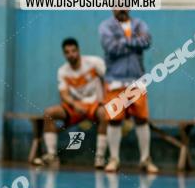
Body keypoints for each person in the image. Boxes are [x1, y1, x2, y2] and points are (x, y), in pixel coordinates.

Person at [33, 38, 108, 168]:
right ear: (64, 54)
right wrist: (74, 105)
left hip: (94, 105)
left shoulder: (94, 63)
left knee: (105, 114)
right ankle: (52, 156)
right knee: (49, 113)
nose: (71, 54)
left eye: (73, 50)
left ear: (78, 50)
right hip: (75, 107)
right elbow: (64, 94)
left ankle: (100, 158)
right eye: (67, 52)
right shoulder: (62, 71)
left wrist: (105, 100)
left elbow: (108, 80)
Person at [99, 10, 158, 173]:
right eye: (117, 5)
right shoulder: (106, 26)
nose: (121, 8)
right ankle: (114, 159)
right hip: (114, 80)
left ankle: (145, 160)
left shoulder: (139, 24)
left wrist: (123, 41)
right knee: (114, 120)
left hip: (136, 80)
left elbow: (146, 41)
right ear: (112, 8)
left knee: (141, 119)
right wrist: (134, 42)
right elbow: (111, 48)